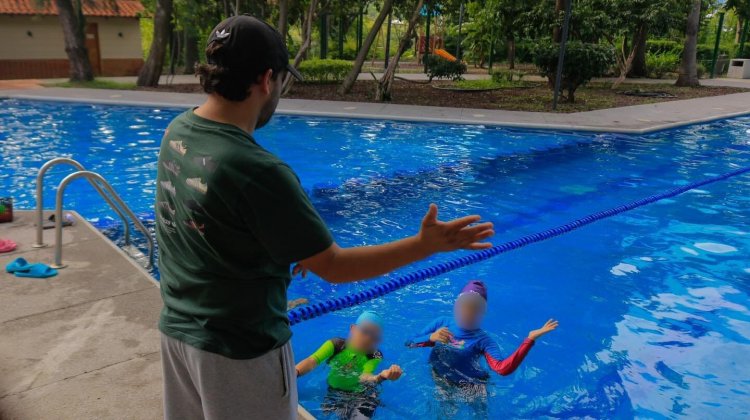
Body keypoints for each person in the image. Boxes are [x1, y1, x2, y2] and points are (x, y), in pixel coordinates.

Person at [155, 14, 495, 420]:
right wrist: (424, 245)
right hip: (238, 352)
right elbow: (333, 266)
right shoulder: (256, 169)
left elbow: (205, 225)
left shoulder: (178, 132)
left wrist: (279, 247)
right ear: (267, 80)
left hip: (177, 336)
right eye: (283, 81)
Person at [406, 280, 558, 417]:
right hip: (441, 379)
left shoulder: (484, 340)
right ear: (457, 307)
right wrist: (431, 338)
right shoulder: (441, 323)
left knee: (480, 415)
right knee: (445, 414)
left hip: (472, 384)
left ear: (482, 313)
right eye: (465, 307)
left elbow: (502, 369)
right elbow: (409, 343)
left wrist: (529, 339)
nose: (468, 313)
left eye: (474, 310)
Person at [295, 311, 401, 419]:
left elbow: (364, 376)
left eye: (374, 338)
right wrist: (295, 372)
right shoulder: (335, 345)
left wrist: (381, 377)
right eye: (365, 331)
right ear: (353, 329)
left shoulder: (374, 356)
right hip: (334, 393)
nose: (368, 339)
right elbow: (312, 360)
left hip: (363, 396)